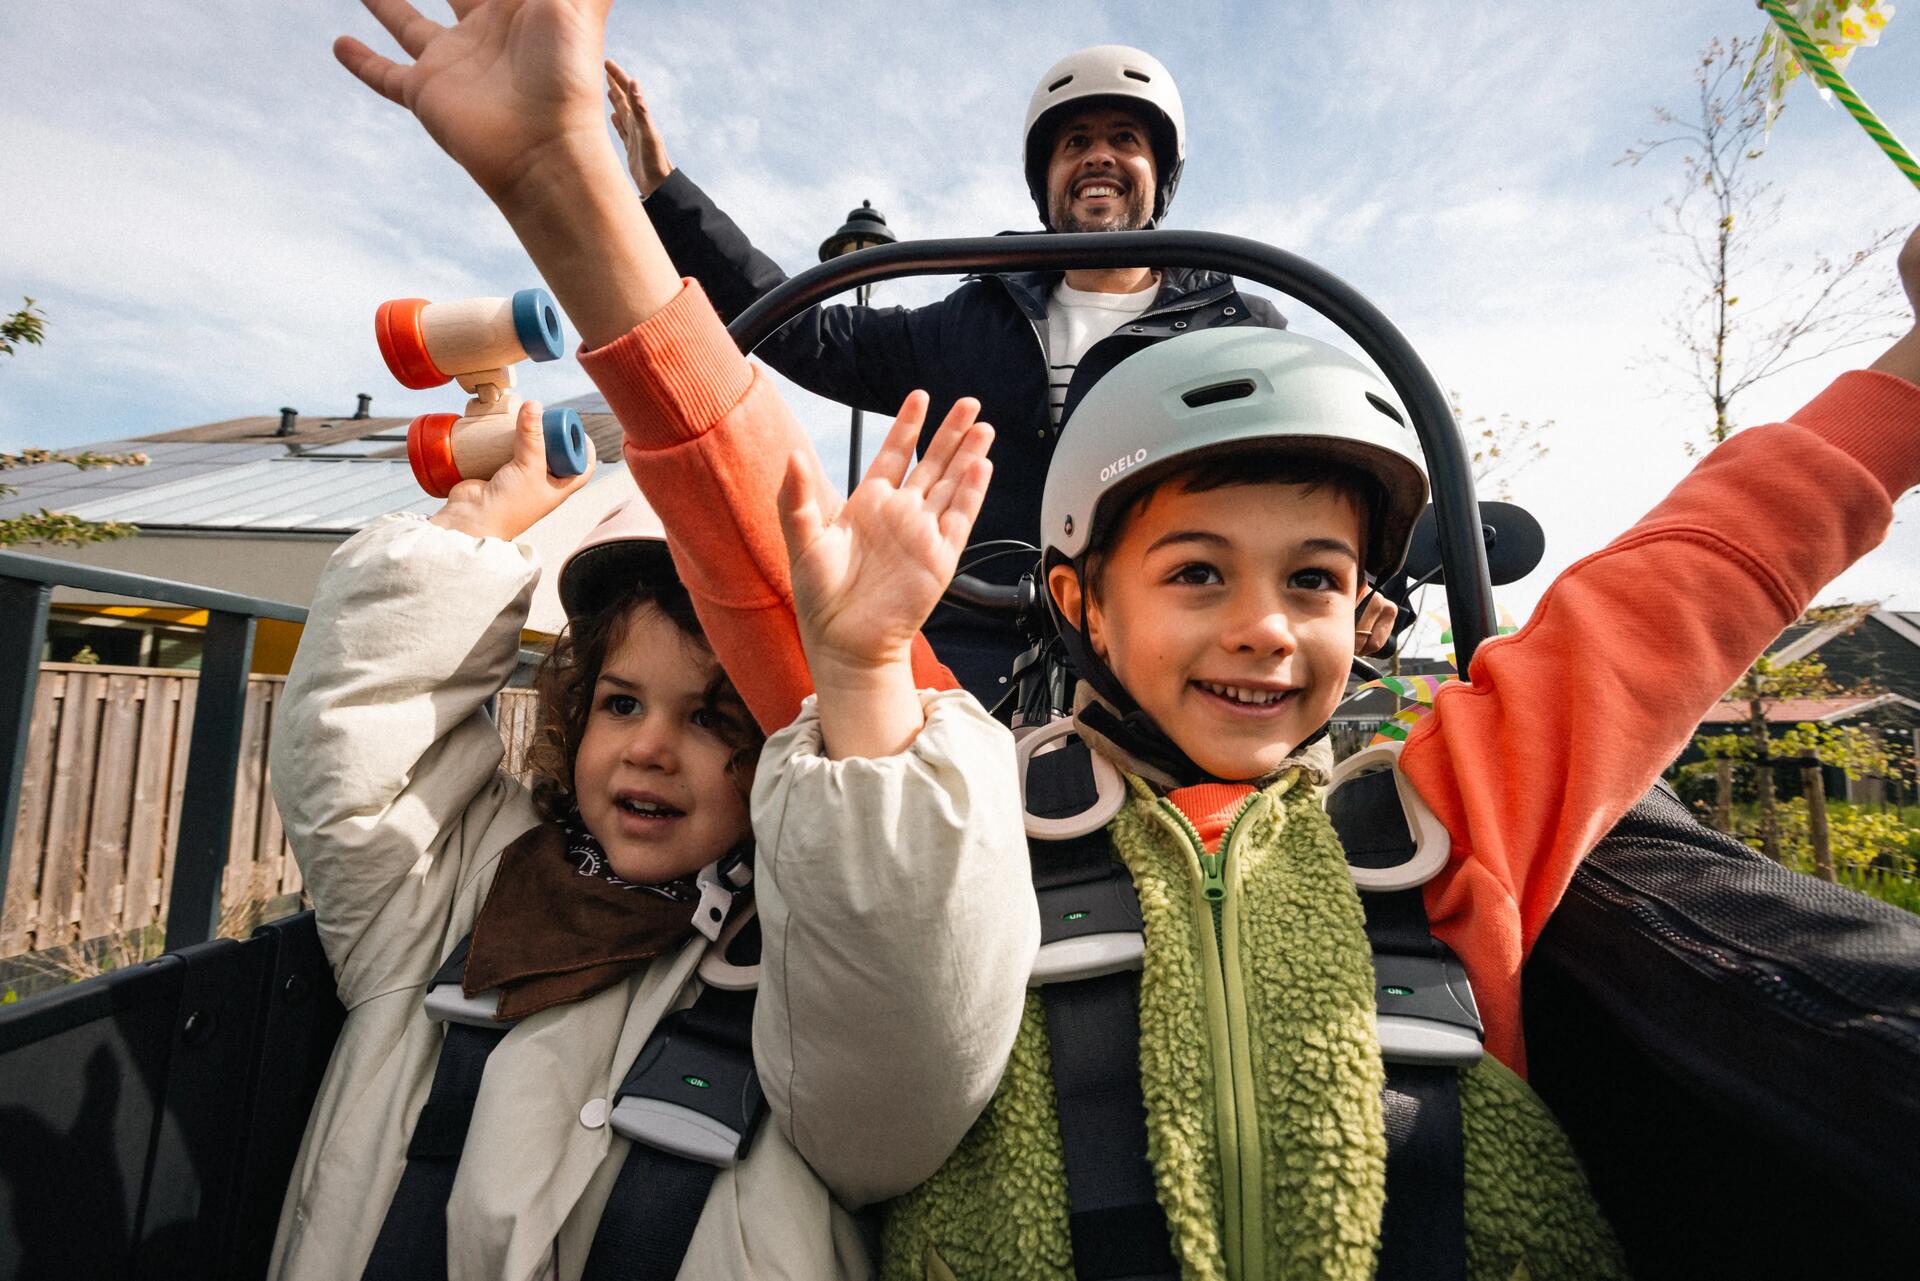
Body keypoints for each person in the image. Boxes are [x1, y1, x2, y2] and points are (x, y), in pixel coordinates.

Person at [332, 1, 1920, 1275]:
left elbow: (1699, 573)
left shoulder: (1446, 810)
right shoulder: (971, 802)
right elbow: (759, 510)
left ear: (1369, 614)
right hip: (978, 672)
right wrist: (581, 194)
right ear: (1086, 596)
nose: (1262, 631)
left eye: (1311, 579)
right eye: (1197, 575)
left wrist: (1908, 381)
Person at [265, 408, 872, 1279]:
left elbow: (903, 953)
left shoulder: (803, 958)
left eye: (710, 717)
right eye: (621, 703)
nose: (649, 747)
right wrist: (482, 523)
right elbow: (354, 746)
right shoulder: (452, 885)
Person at [603, 44, 1305, 698]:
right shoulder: (977, 317)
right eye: (1075, 144)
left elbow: (1308, 484)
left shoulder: (1232, 330)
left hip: (1163, 663)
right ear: (1046, 179)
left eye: (1125, 139)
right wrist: (668, 195)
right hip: (974, 656)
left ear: (1162, 173)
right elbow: (805, 329)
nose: (1098, 158)